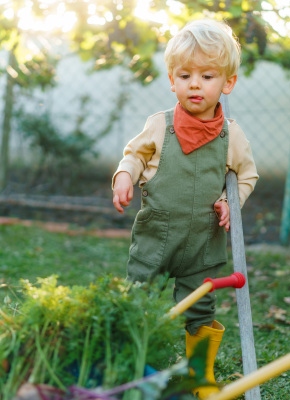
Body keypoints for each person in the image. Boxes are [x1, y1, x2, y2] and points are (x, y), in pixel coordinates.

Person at [111, 18, 258, 398]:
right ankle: (136, 364)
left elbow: (247, 175)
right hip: (156, 237)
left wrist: (231, 201)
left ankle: (200, 376)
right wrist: (125, 176)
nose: (195, 84)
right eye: (185, 74)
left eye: (207, 76)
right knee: (138, 298)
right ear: (172, 79)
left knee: (201, 307)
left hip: (203, 243)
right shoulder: (159, 126)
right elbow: (134, 156)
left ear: (228, 83)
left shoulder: (232, 135)